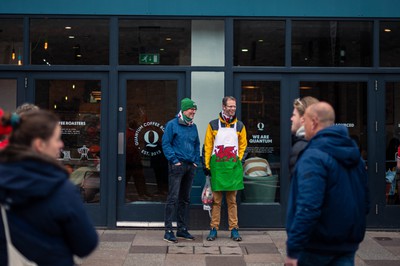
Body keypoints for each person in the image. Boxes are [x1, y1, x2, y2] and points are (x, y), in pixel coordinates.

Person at [0, 109, 99, 265]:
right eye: (57, 139)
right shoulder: (60, 190)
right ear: (40, 144)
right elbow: (86, 245)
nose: (61, 144)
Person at [285, 102, 370, 266]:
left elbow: (308, 206)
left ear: (314, 122)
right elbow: (365, 202)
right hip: (347, 245)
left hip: (316, 247)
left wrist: (293, 249)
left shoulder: (313, 157)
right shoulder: (355, 156)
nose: (304, 125)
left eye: (306, 121)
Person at [203, 96, 247, 242]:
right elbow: (208, 146)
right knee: (216, 201)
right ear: (223, 107)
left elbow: (243, 146)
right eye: (230, 106)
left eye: (234, 106)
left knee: (232, 201)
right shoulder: (213, 125)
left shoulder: (239, 126)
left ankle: (234, 229)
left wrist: (238, 160)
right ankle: (213, 229)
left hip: (232, 167)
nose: (232, 109)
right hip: (217, 168)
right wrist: (207, 166)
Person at [162, 98, 200, 243]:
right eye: (191, 109)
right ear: (184, 110)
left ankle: (182, 229)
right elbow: (166, 144)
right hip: (177, 166)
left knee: (185, 199)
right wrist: (174, 161)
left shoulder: (193, 126)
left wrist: (196, 161)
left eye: (195, 110)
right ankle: (168, 231)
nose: (193, 112)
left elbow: (197, 144)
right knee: (172, 198)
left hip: (190, 166)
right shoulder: (172, 125)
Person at [289, 96, 319, 175]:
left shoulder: (301, 146)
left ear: (303, 119)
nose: (291, 119)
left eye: (294, 115)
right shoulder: (320, 141)